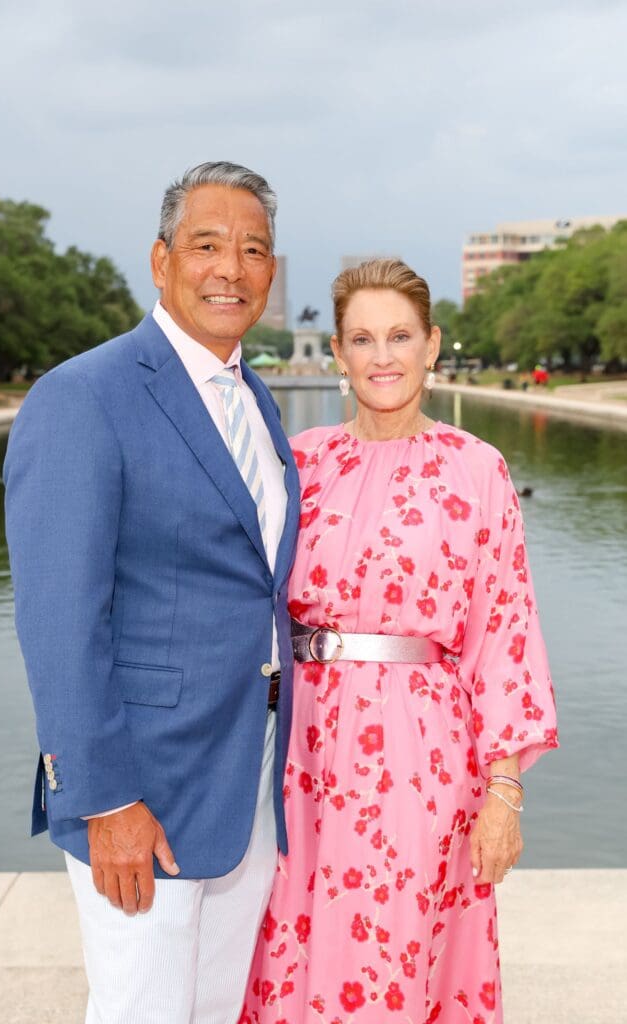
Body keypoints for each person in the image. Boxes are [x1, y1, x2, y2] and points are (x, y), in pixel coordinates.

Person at [3, 161, 300, 1024]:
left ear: (271, 275)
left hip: (245, 777)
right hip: (143, 790)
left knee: (210, 1010)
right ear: (161, 260)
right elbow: (59, 618)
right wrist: (105, 797)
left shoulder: (253, 402)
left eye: (252, 250)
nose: (230, 269)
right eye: (206, 245)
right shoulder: (83, 397)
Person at [242, 259, 558, 1023]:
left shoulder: (476, 468)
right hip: (299, 759)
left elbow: (503, 631)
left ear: (431, 344)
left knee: (398, 954)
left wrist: (503, 793)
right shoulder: (299, 463)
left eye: (398, 336)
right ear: (340, 353)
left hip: (421, 759)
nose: (381, 356)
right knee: (288, 947)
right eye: (360, 338)